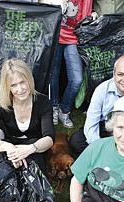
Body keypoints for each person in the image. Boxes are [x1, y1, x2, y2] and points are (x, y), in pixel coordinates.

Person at [69, 54, 124, 157]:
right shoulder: (101, 90)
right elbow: (91, 123)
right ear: (114, 74)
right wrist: (101, 148)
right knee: (76, 140)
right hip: (105, 128)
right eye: (120, 74)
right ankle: (105, 156)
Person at [0, 59, 55, 174]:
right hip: (8, 145)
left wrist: (30, 149)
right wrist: (9, 148)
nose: (20, 89)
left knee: (34, 177)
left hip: (34, 146)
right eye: (14, 85)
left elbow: (49, 138)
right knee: (6, 177)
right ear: (7, 87)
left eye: (22, 82)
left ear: (29, 79)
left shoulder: (43, 102)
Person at [49, 0, 92, 128]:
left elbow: (84, 18)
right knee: (52, 76)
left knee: (77, 79)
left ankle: (64, 110)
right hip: (54, 34)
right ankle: (54, 107)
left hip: (74, 38)